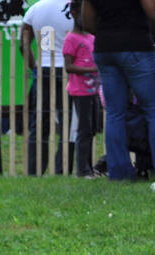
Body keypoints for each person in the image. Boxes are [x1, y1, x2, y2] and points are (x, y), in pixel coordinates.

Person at [86, 0, 155, 185]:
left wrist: (109, 32)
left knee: (115, 113)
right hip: (137, 46)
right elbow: (153, 13)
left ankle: (119, 173)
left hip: (105, 49)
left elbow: (88, 21)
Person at [21, 0, 75, 175]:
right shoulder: (75, 6)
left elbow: (24, 44)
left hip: (44, 68)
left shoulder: (35, 9)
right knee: (69, 124)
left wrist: (34, 66)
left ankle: (34, 170)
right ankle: (62, 169)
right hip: (70, 70)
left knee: (39, 124)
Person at [64, 0, 102, 177]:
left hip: (94, 91)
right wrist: (92, 69)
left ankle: (88, 166)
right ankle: (82, 170)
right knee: (84, 130)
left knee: (93, 129)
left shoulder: (91, 38)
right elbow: (69, 67)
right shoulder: (71, 39)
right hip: (80, 92)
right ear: (73, 12)